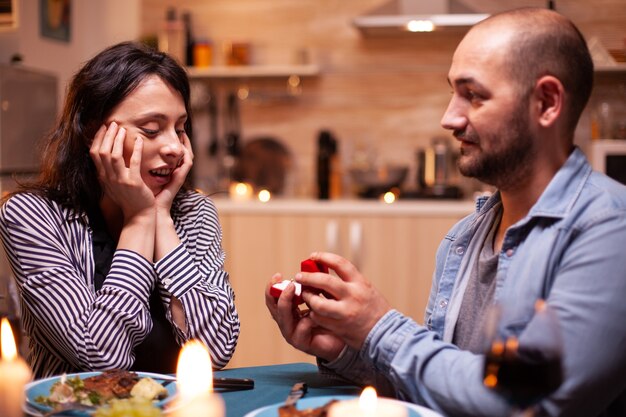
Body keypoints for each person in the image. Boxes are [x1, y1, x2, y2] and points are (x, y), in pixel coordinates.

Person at [266, 8, 626, 417]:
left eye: (473, 95)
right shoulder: (465, 236)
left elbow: (524, 402)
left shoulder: (610, 231)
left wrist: (378, 327)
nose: (448, 118)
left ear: (546, 102)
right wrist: (348, 350)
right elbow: (446, 388)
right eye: (453, 92)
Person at [0, 42, 240, 378]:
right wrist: (140, 221)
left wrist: (161, 221)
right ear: (91, 131)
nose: (173, 146)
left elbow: (215, 350)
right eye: (151, 129)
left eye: (180, 128)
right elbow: (103, 358)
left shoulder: (195, 212)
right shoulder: (31, 215)